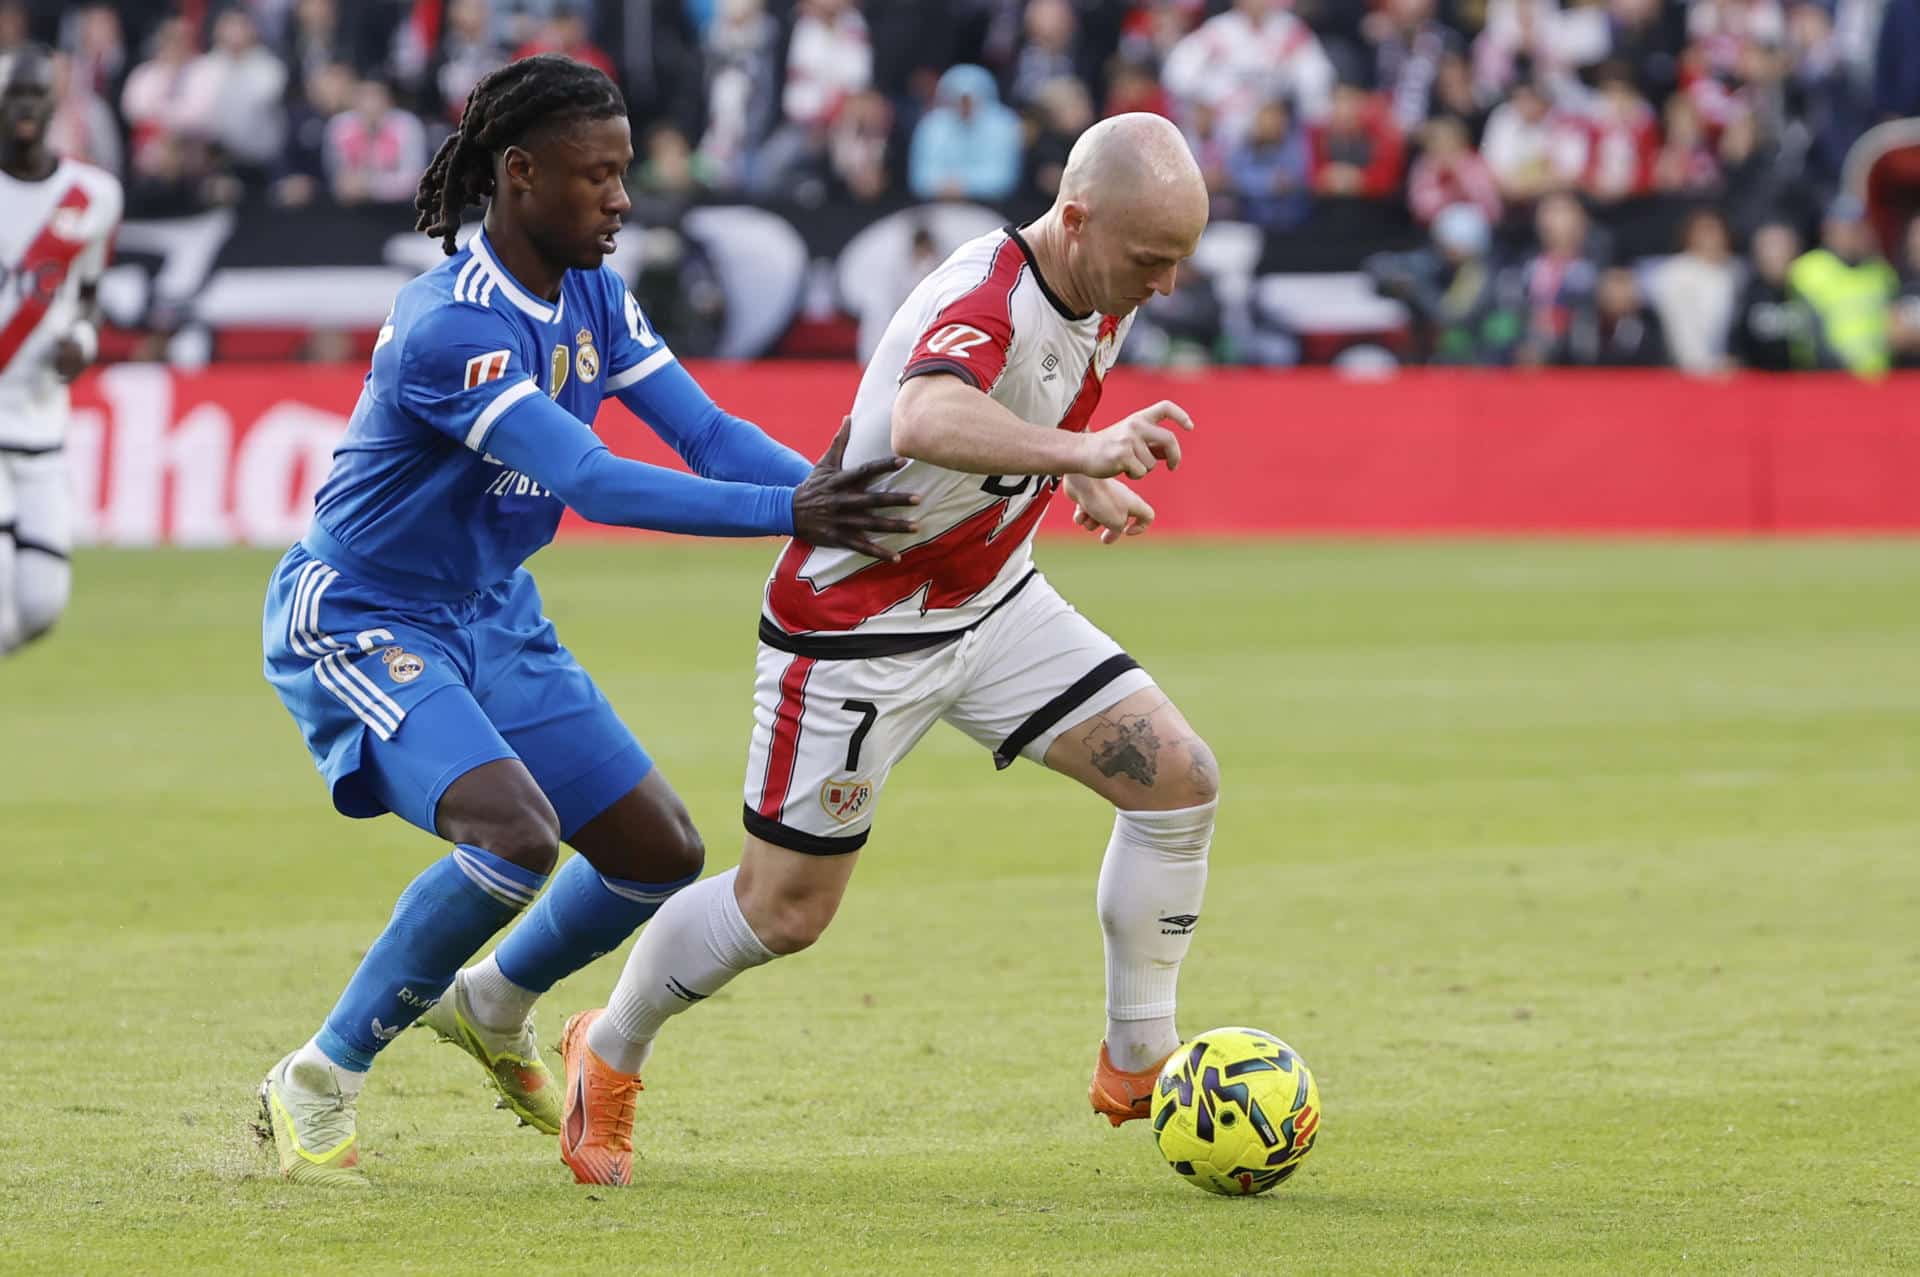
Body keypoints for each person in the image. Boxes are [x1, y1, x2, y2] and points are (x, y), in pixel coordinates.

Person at [253, 54, 916, 1188]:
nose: (622, 199)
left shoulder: (598, 294)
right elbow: (599, 482)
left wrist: (840, 505)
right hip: (363, 613)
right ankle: (318, 1074)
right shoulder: (451, 328)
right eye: (596, 177)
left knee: (657, 851)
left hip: (493, 610)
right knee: (511, 834)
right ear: (519, 176)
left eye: (621, 174)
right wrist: (794, 509)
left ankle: (493, 1002)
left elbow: (705, 437)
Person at [556, 113, 1223, 1188]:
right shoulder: (986, 291)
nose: (1168, 284)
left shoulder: (1099, 284)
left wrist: (1080, 473)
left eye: (1179, 259)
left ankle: (1140, 1058)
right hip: (857, 626)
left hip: (992, 599)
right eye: (1153, 259)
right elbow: (924, 416)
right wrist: (1082, 448)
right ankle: (610, 1042)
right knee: (785, 909)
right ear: (1079, 215)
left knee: (1179, 781)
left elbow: (1044, 390)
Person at [0, 45, 121, 656]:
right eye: (11, 97)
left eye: (34, 97)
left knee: (41, 606)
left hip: (42, 421)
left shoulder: (92, 195)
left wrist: (84, 337)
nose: (23, 109)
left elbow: (89, 294)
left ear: (53, 106)